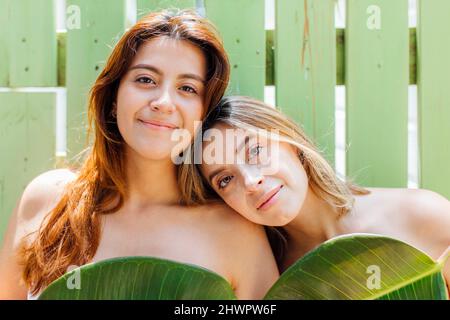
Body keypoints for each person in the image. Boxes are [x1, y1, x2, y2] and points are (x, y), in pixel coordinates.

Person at [0, 11, 278, 300]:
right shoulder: (46, 201)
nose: (163, 103)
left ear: (202, 114)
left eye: (187, 88)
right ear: (113, 99)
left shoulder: (235, 232)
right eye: (146, 80)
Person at [181, 95, 450, 292]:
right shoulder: (268, 276)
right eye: (226, 179)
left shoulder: (418, 215)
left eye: (255, 150)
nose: (251, 181)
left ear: (291, 142)